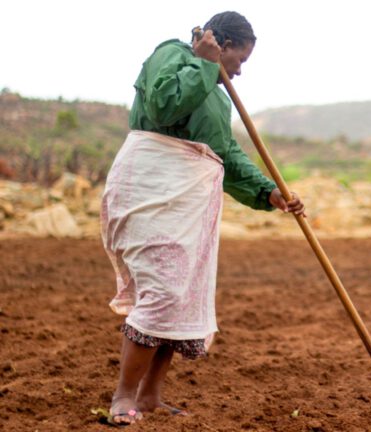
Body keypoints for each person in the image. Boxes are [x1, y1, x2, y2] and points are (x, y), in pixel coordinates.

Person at [100, 11, 305, 426]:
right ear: (222, 45)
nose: (239, 71)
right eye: (239, 60)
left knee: (181, 293)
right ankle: (123, 395)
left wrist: (269, 192)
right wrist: (204, 63)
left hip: (191, 202)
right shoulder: (173, 54)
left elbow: (224, 154)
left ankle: (150, 396)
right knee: (162, 289)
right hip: (151, 187)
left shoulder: (218, 96)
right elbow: (163, 106)